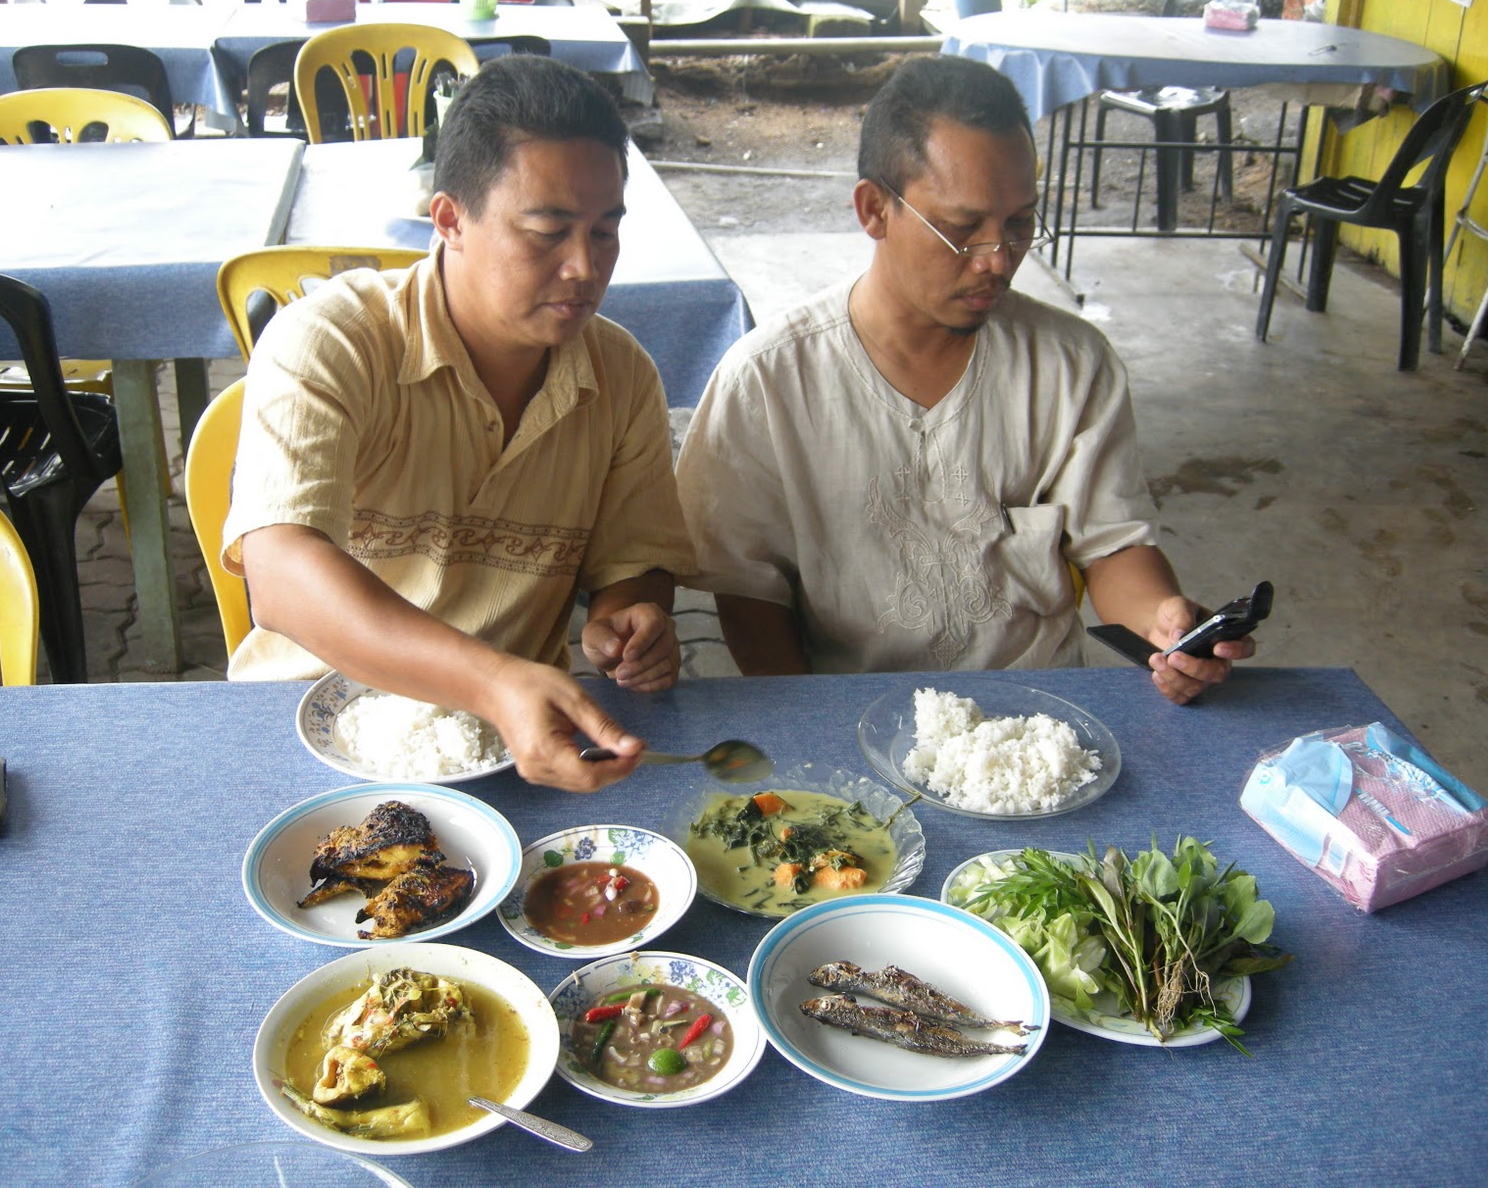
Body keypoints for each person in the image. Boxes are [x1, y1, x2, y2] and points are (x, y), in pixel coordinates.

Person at [674, 56, 1252, 704]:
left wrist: (1164, 622)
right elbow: (749, 593)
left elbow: (1112, 546)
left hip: (1035, 720)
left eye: (1020, 223)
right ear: (874, 210)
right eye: (960, 229)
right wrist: (815, 720)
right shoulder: (768, 383)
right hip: (852, 707)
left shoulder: (1071, 365)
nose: (998, 259)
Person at [221, 57, 696, 789]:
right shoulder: (333, 341)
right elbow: (280, 574)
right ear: (449, 221)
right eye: (547, 230)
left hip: (503, 752)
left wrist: (628, 622)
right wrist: (492, 680)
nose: (583, 266)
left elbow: (635, 566)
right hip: (298, 732)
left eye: (605, 232)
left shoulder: (620, 375)